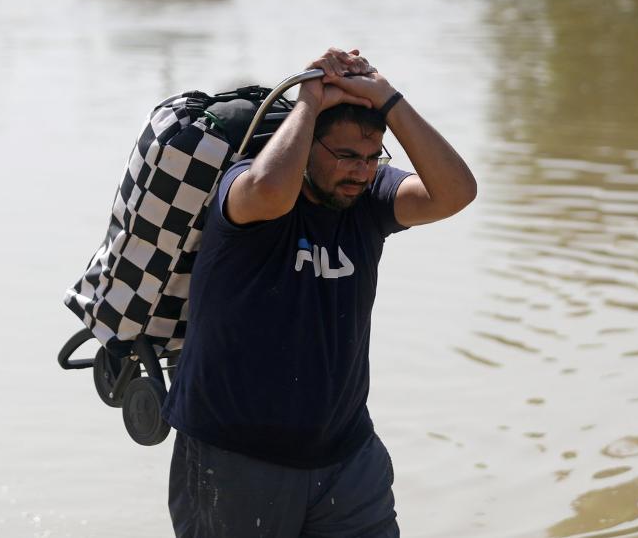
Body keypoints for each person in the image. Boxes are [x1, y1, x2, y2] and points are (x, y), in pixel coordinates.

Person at [163, 47, 478, 538]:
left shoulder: (368, 200)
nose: (361, 171)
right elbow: (270, 189)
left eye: (374, 158)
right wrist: (308, 102)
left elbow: (455, 193)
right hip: (236, 457)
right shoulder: (244, 190)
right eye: (347, 156)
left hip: (346, 459)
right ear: (307, 143)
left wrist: (388, 98)